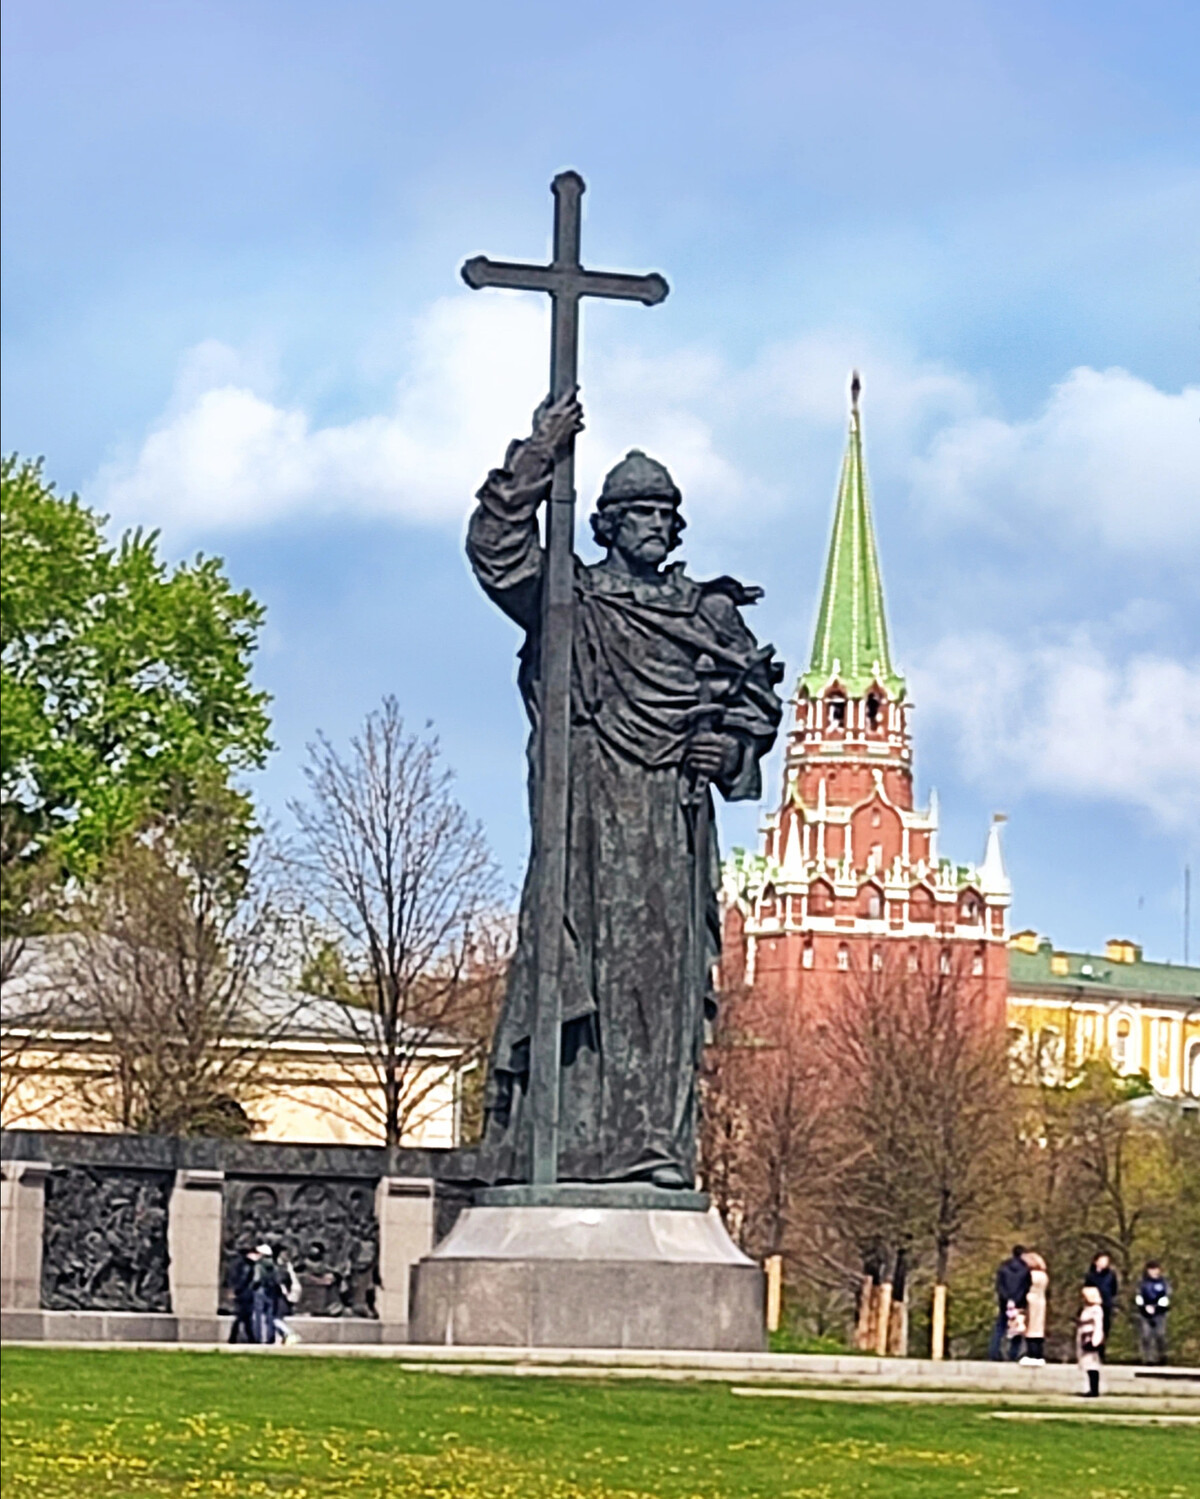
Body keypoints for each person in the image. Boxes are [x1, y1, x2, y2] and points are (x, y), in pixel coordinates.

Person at [467, 392, 782, 1187]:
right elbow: (499, 552)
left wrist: (727, 745)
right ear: (605, 522)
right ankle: (563, 1145)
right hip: (586, 815)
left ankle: (652, 1147)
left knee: (660, 989)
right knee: (579, 976)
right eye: (635, 511)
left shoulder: (706, 613)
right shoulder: (573, 597)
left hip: (670, 824)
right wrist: (538, 454)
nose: (654, 523)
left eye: (664, 512)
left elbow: (754, 705)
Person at [989, 1245, 1032, 1361]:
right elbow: (1026, 1287)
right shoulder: (1025, 1269)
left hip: (1004, 1303)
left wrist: (1006, 1299)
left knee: (1000, 1327)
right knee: (1017, 1327)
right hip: (1019, 1303)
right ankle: (1013, 1354)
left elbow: (999, 1285)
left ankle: (994, 1352)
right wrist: (1018, 1300)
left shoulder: (1003, 1267)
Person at [1135, 1261, 1171, 1365]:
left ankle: (1162, 1356)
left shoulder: (1163, 1282)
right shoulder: (1142, 1282)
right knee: (1146, 1335)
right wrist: (1144, 1306)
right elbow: (1138, 1295)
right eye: (1151, 1270)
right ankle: (1148, 1358)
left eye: (1155, 1269)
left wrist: (1157, 1306)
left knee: (1160, 1334)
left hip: (1160, 1312)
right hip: (1144, 1312)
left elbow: (1167, 1295)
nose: (1153, 1272)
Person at [1019, 1250, 1049, 1365]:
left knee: (1030, 1328)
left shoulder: (1030, 1275)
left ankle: (1031, 1353)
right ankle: (1038, 1353)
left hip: (1031, 1300)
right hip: (1041, 1301)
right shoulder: (1044, 1276)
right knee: (1038, 1328)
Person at [1084, 1252, 1119, 1346]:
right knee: (1092, 1327)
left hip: (1106, 1304)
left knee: (1105, 1327)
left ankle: (1102, 1347)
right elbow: (1086, 1289)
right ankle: (1092, 1346)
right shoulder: (1090, 1275)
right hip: (1093, 1304)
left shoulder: (1111, 1275)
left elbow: (1114, 1289)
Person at [1077, 1285, 1105, 1397]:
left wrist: (1095, 1340)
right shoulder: (1086, 1309)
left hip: (1090, 1338)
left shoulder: (1096, 1310)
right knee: (1086, 1364)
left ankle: (1094, 1389)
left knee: (1092, 1364)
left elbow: (1098, 1325)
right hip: (1084, 1337)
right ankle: (1090, 1388)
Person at [273, 1246, 303, 1346]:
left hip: (281, 1297)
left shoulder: (282, 1268)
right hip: (282, 1296)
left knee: (275, 1318)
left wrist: (286, 1292)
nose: (286, 1255)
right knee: (276, 1318)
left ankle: (289, 1334)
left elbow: (282, 1282)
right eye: (284, 1253)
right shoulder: (285, 1266)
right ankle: (281, 1338)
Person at [227, 1245, 258, 1344]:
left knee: (244, 1318)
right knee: (243, 1317)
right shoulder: (247, 1265)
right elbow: (244, 1280)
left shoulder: (236, 1264)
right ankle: (238, 1338)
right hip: (245, 1294)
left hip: (242, 1294)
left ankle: (247, 1337)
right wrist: (239, 1290)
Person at [251, 1242, 278, 1345]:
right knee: (270, 1315)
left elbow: (256, 1279)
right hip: (271, 1291)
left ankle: (258, 1337)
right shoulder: (274, 1265)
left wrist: (252, 1287)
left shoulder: (259, 1265)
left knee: (258, 1315)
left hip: (260, 1290)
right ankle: (270, 1337)